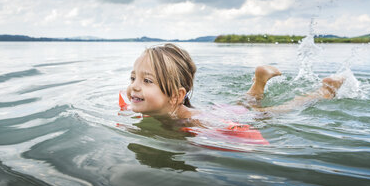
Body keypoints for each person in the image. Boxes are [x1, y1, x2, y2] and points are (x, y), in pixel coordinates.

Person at [125, 43, 344, 119]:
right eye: (133, 77)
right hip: (220, 109)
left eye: (147, 81)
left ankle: (323, 92)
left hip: (219, 117)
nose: (134, 85)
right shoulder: (153, 108)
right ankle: (259, 82)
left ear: (176, 96)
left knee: (269, 113)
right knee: (243, 102)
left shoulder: (194, 123)